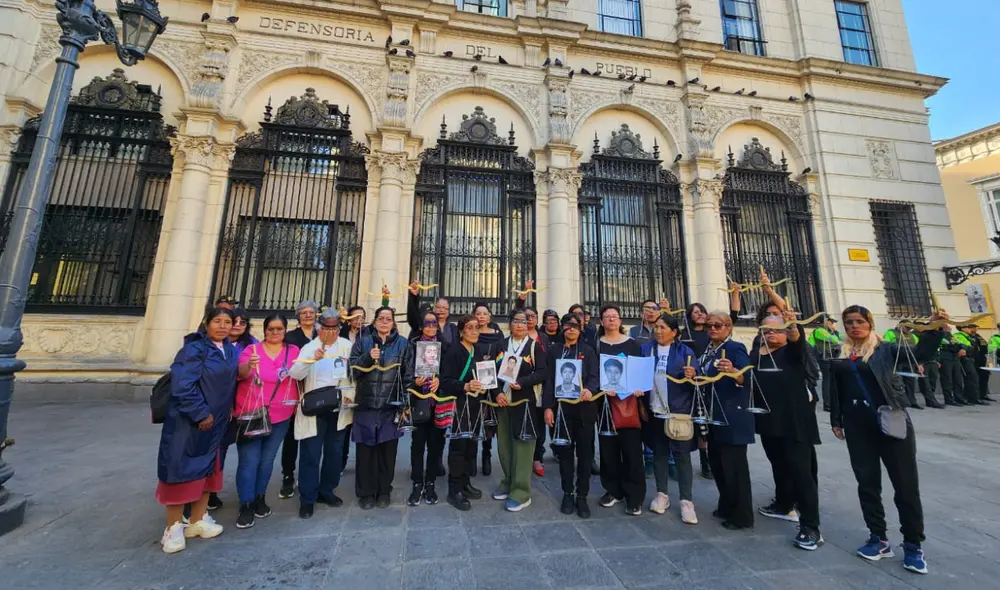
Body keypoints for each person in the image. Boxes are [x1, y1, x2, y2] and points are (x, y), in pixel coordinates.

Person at [829, 305, 929, 575]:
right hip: (857, 426)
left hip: (891, 422)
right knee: (867, 484)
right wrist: (836, 420)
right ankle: (878, 538)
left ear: (870, 323)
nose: (853, 326)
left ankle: (912, 545)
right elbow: (836, 390)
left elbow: (920, 354)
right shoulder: (840, 353)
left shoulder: (885, 350)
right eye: (848, 322)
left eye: (859, 321)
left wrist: (934, 330)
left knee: (905, 486)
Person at [156, 307, 237, 554]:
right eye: (217, 321)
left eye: (227, 322)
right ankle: (172, 527)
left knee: (208, 469)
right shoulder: (195, 349)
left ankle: (198, 519)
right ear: (206, 323)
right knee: (181, 469)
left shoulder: (230, 350)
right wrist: (200, 412)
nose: (222, 326)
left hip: (218, 422)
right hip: (190, 422)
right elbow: (182, 385)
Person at [752, 313, 824, 550]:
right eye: (767, 329)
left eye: (777, 329)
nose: (771, 333)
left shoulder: (793, 353)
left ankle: (811, 527)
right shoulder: (758, 353)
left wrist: (793, 327)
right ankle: (784, 505)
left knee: (802, 474)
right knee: (780, 467)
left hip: (795, 424)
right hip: (769, 423)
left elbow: (797, 342)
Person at [233, 314, 299, 529]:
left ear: (285, 330)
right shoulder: (251, 350)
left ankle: (259, 496)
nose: (275, 332)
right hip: (252, 413)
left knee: (267, 459)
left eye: (279, 329)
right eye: (271, 329)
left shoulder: (293, 351)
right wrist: (249, 367)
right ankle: (246, 503)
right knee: (249, 460)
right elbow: (240, 374)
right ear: (264, 330)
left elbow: (300, 374)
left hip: (281, 413)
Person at [289, 308, 354, 518]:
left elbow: (352, 375)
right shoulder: (310, 347)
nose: (331, 332)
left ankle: (327, 490)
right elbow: (295, 373)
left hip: (337, 404)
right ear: (320, 327)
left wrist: (350, 395)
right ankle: (307, 498)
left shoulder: (346, 346)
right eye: (327, 327)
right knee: (310, 453)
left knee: (334, 452)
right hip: (315, 406)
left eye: (335, 328)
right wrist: (311, 360)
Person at [350, 306, 413, 509]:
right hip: (366, 405)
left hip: (390, 406)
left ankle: (384, 490)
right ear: (375, 321)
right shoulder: (363, 342)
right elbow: (352, 371)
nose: (385, 322)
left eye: (388, 319)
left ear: (394, 322)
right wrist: (368, 357)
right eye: (381, 318)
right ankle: (365, 492)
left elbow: (408, 376)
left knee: (388, 451)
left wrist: (404, 403)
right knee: (365, 451)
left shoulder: (403, 345)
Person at [640, 314, 699, 524]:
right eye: (656, 327)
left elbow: (697, 381)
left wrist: (693, 375)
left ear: (674, 332)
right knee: (659, 454)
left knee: (682, 457)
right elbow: (640, 377)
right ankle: (662, 494)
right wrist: (641, 404)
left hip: (678, 413)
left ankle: (686, 501)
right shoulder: (647, 349)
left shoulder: (685, 352)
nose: (658, 331)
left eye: (663, 327)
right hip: (655, 410)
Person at [700, 311, 754, 531]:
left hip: (732, 415)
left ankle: (742, 515)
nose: (713, 328)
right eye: (709, 325)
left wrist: (733, 371)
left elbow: (746, 376)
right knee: (719, 465)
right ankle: (726, 504)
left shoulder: (734, 348)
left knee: (734, 468)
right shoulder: (708, 349)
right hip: (714, 414)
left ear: (729, 327)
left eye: (718, 325)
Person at [543, 313, 600, 519]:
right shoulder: (554, 351)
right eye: (567, 326)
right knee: (565, 455)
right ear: (562, 329)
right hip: (562, 411)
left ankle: (582, 496)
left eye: (575, 326)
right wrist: (548, 408)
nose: (571, 329)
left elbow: (595, 376)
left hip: (584, 410)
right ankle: (568, 493)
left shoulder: (588, 351)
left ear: (580, 329)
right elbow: (549, 380)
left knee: (584, 457)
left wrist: (590, 390)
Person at [492, 309, 549, 511]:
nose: (520, 325)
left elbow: (542, 372)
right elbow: (491, 371)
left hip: (525, 403)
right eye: (516, 321)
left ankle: (522, 491)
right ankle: (508, 481)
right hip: (502, 402)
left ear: (529, 325)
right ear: (510, 323)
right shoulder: (499, 345)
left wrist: (523, 382)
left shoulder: (534, 347)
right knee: (505, 445)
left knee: (523, 445)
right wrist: (497, 392)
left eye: (524, 322)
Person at [440, 316, 486, 511]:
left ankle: (465, 483)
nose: (474, 331)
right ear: (461, 331)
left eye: (477, 328)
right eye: (470, 328)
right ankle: (454, 489)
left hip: (475, 405)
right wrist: (465, 385)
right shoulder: (453, 352)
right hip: (458, 406)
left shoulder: (479, 351)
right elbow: (445, 381)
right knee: (458, 448)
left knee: (471, 446)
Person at [280, 299, 319, 500]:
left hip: (317, 388)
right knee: (291, 435)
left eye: (311, 312)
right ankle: (288, 474)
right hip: (295, 389)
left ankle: (310, 474)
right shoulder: (290, 337)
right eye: (303, 312)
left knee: (312, 434)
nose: (308, 315)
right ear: (298, 316)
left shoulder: (321, 335)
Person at [407, 309, 446, 506]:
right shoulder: (413, 345)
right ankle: (416, 483)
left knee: (435, 445)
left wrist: (440, 380)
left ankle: (430, 483)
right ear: (421, 325)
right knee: (417, 445)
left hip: (438, 401)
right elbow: (404, 371)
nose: (431, 326)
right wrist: (414, 381)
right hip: (419, 400)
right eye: (427, 323)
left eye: (434, 323)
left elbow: (450, 372)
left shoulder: (445, 345)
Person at [473, 302, 504, 477]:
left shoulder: (497, 335)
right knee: (474, 418)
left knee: (489, 420)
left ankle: (486, 453)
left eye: (484, 313)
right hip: (474, 381)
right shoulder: (471, 333)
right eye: (478, 313)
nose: (481, 316)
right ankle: (471, 457)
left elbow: (501, 357)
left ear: (489, 317)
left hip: (492, 381)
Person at [883, 324, 924, 409]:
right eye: (907, 327)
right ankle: (898, 401)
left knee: (910, 382)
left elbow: (918, 351)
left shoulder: (913, 336)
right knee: (897, 382)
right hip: (897, 361)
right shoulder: (891, 333)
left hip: (909, 362)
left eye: (910, 328)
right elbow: (886, 346)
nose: (908, 330)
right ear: (900, 326)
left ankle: (912, 402)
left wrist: (919, 364)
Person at [808, 314, 842, 412]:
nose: (832, 324)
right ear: (825, 322)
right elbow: (835, 340)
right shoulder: (820, 331)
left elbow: (841, 338)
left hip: (828, 358)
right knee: (827, 381)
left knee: (831, 380)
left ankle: (831, 402)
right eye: (830, 322)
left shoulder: (826, 331)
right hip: (824, 359)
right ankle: (828, 404)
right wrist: (834, 330)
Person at [911, 318, 945, 409]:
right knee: (924, 382)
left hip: (932, 360)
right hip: (921, 361)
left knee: (932, 381)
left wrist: (937, 360)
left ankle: (931, 399)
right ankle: (931, 401)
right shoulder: (918, 335)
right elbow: (919, 350)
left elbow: (935, 346)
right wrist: (919, 363)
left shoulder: (932, 334)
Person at [953, 324, 984, 405]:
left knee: (972, 379)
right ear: (962, 328)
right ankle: (973, 398)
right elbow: (962, 346)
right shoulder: (958, 335)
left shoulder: (969, 336)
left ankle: (971, 397)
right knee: (972, 378)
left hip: (971, 359)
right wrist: (967, 349)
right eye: (968, 327)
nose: (970, 329)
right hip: (965, 359)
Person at [937, 324, 966, 406]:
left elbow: (960, 344)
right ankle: (949, 399)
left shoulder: (952, 335)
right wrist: (956, 348)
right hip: (945, 359)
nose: (949, 327)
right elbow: (948, 346)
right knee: (947, 380)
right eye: (946, 326)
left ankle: (959, 398)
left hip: (955, 359)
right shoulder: (941, 335)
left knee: (958, 380)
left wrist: (962, 348)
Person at [969, 324, 993, 403]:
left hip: (983, 359)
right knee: (976, 378)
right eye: (974, 328)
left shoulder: (978, 336)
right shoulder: (969, 337)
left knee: (984, 377)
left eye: (976, 327)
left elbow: (984, 345)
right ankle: (977, 395)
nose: (976, 329)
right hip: (976, 360)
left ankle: (983, 394)